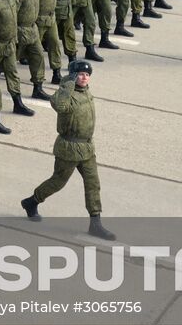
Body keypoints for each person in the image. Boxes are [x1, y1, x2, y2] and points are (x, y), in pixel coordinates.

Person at [20, 60, 115, 240]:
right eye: (80, 74)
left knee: (93, 183)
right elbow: (60, 106)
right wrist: (68, 84)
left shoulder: (85, 92)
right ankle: (31, 202)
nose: (84, 78)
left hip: (86, 147)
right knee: (58, 181)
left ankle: (96, 223)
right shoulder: (65, 94)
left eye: (87, 75)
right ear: (72, 76)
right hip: (69, 148)